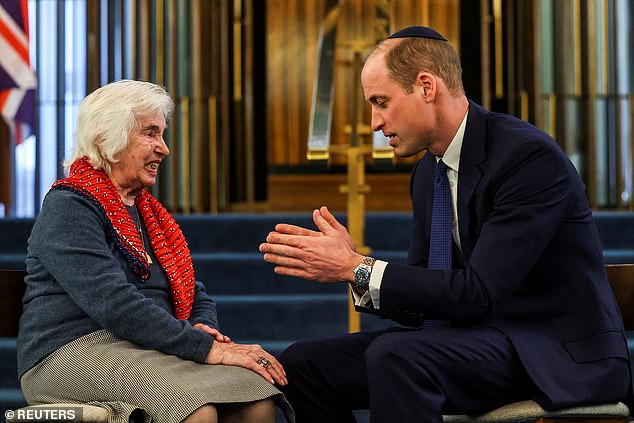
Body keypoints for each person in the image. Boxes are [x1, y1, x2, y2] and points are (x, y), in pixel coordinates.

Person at [259, 26, 631, 422]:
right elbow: (424, 296)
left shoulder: (526, 158)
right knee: (304, 363)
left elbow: (479, 293)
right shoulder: (426, 174)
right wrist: (353, 269)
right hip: (473, 341)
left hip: (551, 352)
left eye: (381, 102)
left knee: (398, 356)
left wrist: (359, 267)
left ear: (425, 86)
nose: (374, 122)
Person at [18, 80, 294, 423]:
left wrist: (202, 329)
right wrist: (205, 349)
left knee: (255, 400)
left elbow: (196, 295)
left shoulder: (150, 214)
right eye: (150, 134)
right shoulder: (69, 206)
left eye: (162, 135)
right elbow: (113, 304)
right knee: (195, 410)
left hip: (144, 346)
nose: (163, 148)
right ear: (108, 139)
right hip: (70, 351)